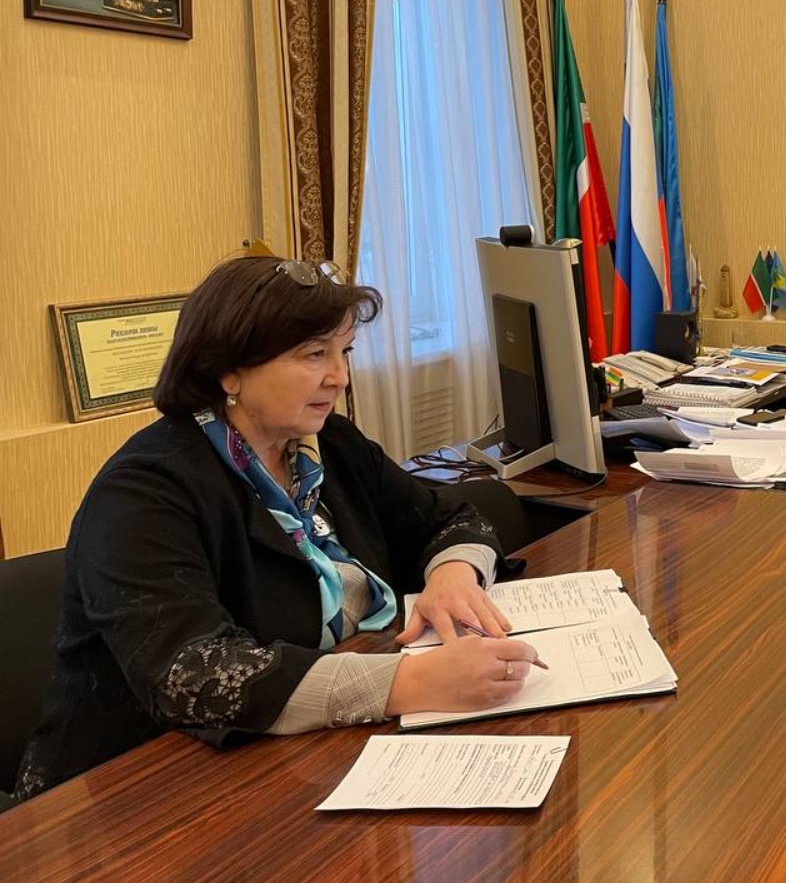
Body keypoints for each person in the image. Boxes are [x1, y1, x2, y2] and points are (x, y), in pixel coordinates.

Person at [16, 256, 539, 799]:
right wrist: (410, 682)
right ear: (228, 370)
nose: (340, 377)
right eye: (314, 354)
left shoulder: (327, 443)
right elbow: (195, 674)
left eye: (344, 352)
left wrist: (453, 577)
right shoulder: (143, 493)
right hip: (131, 793)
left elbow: (450, 518)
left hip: (300, 758)